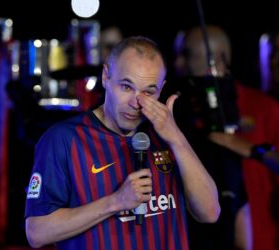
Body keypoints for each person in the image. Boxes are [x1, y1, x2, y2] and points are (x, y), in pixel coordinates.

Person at [25, 36, 220, 249]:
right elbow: (37, 232)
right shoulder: (63, 139)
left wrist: (177, 139)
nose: (136, 102)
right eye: (126, 87)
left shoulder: (169, 136)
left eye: (148, 92)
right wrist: (116, 202)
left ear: (161, 90)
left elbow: (210, 213)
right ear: (106, 77)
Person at [174, 25, 279, 250]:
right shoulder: (177, 113)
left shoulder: (264, 108)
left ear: (217, 59)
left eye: (187, 55)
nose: (177, 63)